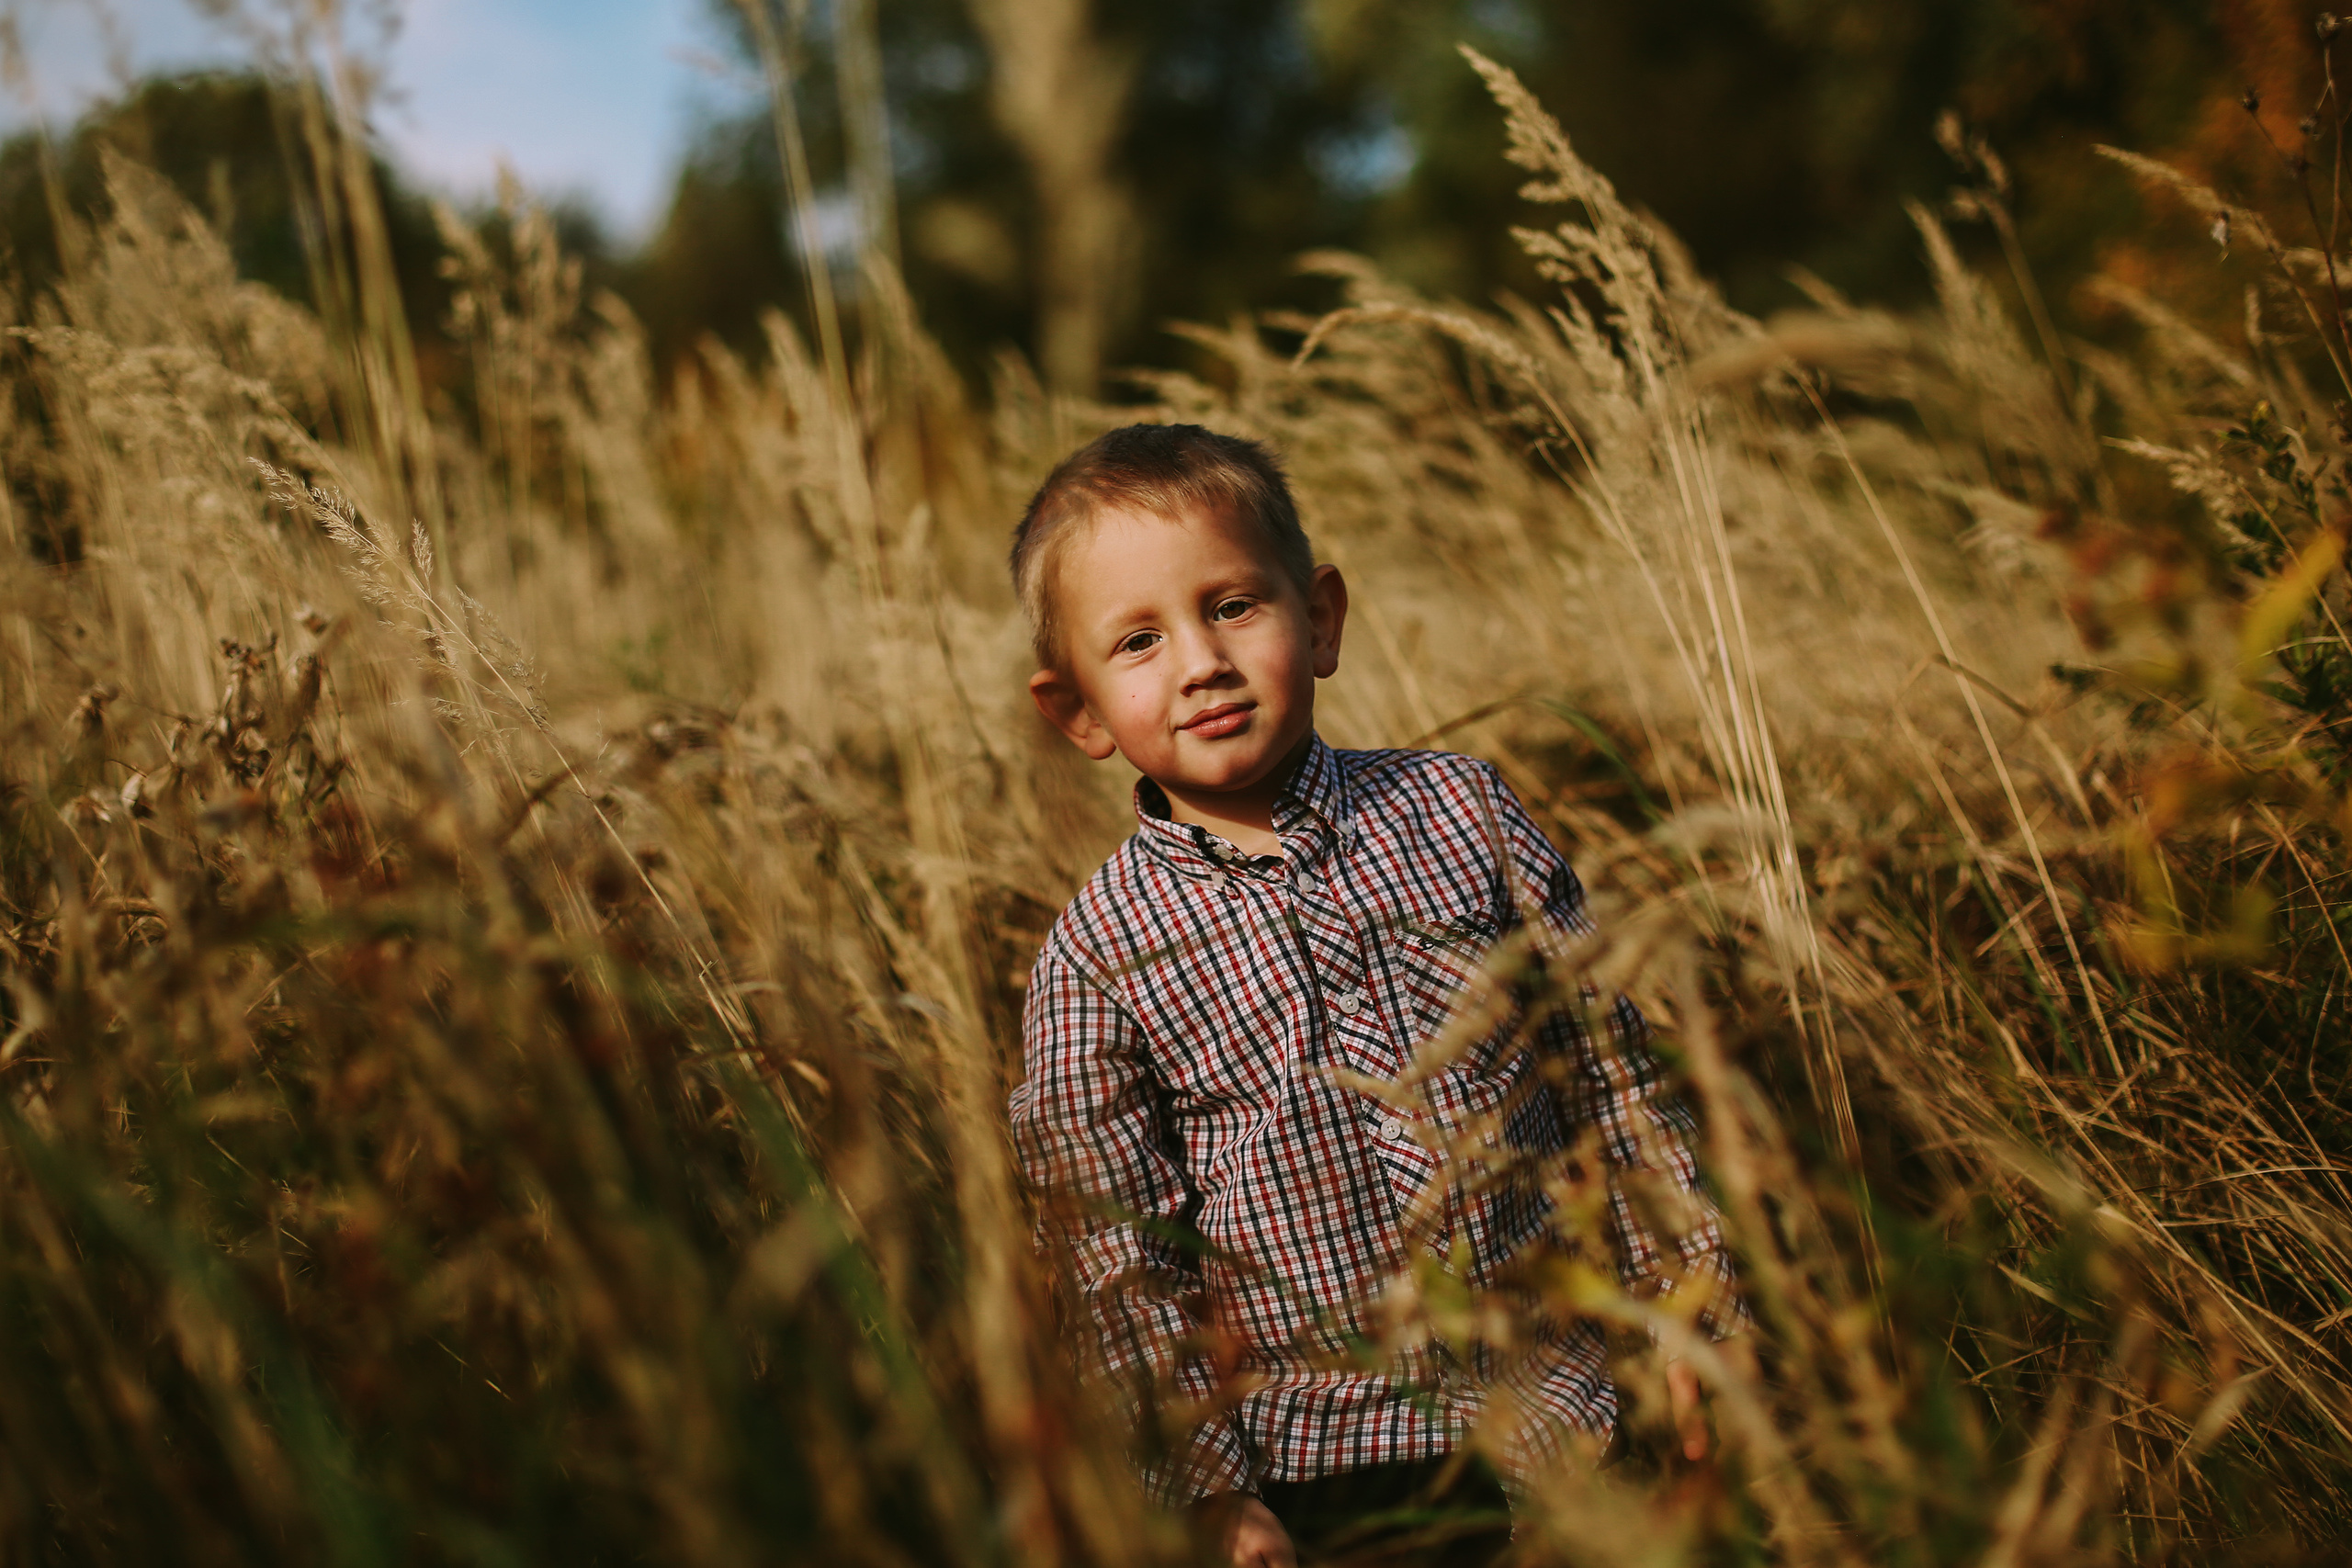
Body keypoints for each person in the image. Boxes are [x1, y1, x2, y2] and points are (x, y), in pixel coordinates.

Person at [1006, 423, 1738, 1567]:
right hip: (1329, 1467)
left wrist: (1695, 1306)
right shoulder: (1096, 959)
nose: (1200, 660)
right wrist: (1206, 1489)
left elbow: (1609, 1070)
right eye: (1139, 640)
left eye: (1235, 607)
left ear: (1322, 618)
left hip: (1569, 1405)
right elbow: (1115, 1260)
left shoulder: (1461, 816)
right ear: (1082, 713)